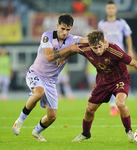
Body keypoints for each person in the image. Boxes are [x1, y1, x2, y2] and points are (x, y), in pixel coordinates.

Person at [57, 30, 137, 143]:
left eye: (100, 46)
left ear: (105, 42)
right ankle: (85, 133)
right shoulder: (85, 48)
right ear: (90, 45)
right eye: (95, 48)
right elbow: (74, 50)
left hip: (120, 79)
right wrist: (63, 58)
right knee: (89, 110)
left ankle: (129, 131)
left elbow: (134, 63)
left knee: (120, 103)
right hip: (103, 82)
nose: (98, 50)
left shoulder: (115, 50)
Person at [12, 13, 87, 141]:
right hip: (35, 73)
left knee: (52, 117)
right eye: (62, 28)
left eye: (68, 29)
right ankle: (19, 121)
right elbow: (49, 56)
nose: (65, 32)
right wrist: (69, 49)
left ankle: (36, 132)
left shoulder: (72, 38)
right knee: (38, 93)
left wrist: (103, 40)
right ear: (57, 26)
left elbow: (87, 40)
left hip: (51, 80)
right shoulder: (47, 36)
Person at [98, 1, 135, 116]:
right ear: (106, 10)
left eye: (112, 8)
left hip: (119, 54)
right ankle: (113, 104)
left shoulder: (121, 23)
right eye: (108, 8)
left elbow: (128, 36)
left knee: (120, 78)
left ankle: (116, 102)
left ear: (116, 10)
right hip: (106, 55)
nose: (110, 10)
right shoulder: (101, 24)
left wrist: (130, 50)